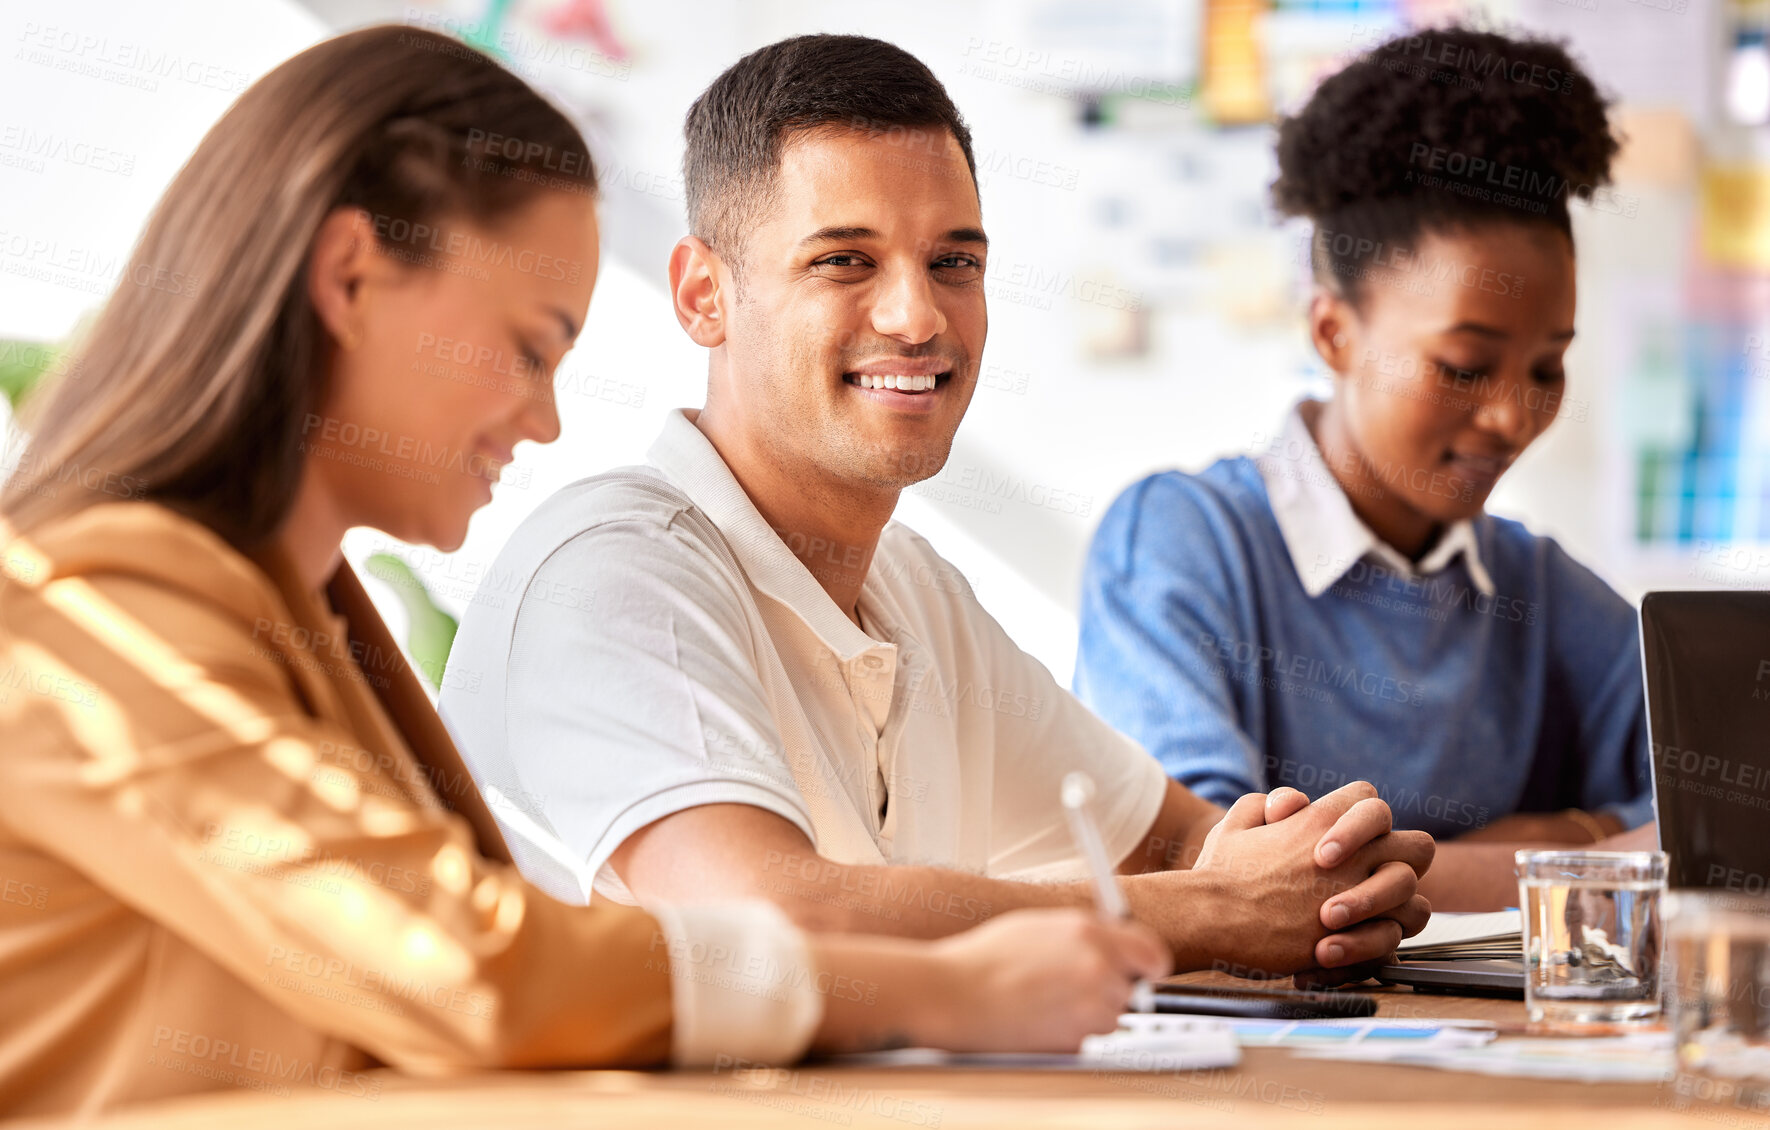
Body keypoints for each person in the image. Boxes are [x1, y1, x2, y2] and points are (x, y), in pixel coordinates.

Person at [0, 26, 1174, 1118]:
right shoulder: (107, 607)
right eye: (526, 348)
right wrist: (947, 991)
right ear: (351, 276)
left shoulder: (296, 613)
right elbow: (475, 963)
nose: (550, 421)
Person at [440, 33, 1433, 983]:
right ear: (704, 294)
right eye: (844, 259)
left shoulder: (912, 588)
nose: (918, 316)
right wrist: (1213, 911)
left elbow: (1177, 839)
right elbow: (760, 918)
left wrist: (1324, 864)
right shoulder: (614, 568)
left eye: (954, 261)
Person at [1073, 25, 1655, 913]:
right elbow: (1216, 878)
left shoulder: (1537, 590)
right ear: (1333, 334)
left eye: (1547, 367)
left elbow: (1719, 829)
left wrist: (1534, 851)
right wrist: (1577, 845)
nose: (1510, 415)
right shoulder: (1182, 542)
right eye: (1464, 364)